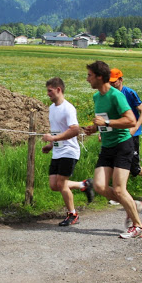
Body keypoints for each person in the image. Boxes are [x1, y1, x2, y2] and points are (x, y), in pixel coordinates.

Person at [82, 60, 142, 239]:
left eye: (89, 75)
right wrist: (95, 128)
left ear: (99, 77)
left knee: (118, 189)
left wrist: (106, 122)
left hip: (123, 145)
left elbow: (131, 120)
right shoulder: (97, 97)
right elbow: (103, 120)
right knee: (100, 186)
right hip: (107, 146)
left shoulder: (116, 95)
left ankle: (138, 226)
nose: (87, 79)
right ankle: (131, 204)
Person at [41, 77, 95, 227]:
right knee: (54, 185)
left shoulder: (68, 108)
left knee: (61, 183)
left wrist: (53, 138)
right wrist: (51, 145)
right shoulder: (52, 108)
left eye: (50, 91)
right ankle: (84, 185)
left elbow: (74, 130)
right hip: (58, 151)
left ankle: (73, 214)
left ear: (59, 90)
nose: (48, 94)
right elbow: (58, 130)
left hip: (69, 151)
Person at [108, 68, 142, 192]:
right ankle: (119, 192)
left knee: (134, 168)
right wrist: (104, 132)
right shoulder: (109, 95)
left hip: (131, 134)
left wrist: (135, 127)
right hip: (116, 134)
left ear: (121, 80)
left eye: (114, 81)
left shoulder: (129, 93)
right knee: (116, 163)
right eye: (110, 81)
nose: (112, 84)